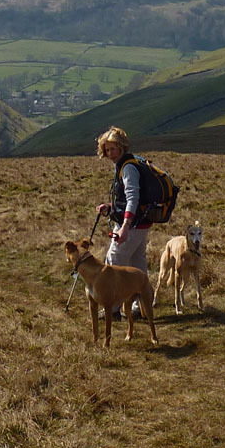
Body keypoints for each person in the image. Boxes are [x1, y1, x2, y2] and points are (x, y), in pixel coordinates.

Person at [95, 125, 152, 317]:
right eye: (107, 149)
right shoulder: (132, 163)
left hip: (132, 225)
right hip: (142, 222)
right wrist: (110, 208)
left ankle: (112, 308)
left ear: (122, 147)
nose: (110, 153)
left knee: (113, 263)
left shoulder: (127, 168)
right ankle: (141, 308)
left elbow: (133, 198)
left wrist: (125, 227)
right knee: (138, 265)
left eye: (113, 148)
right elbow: (127, 199)